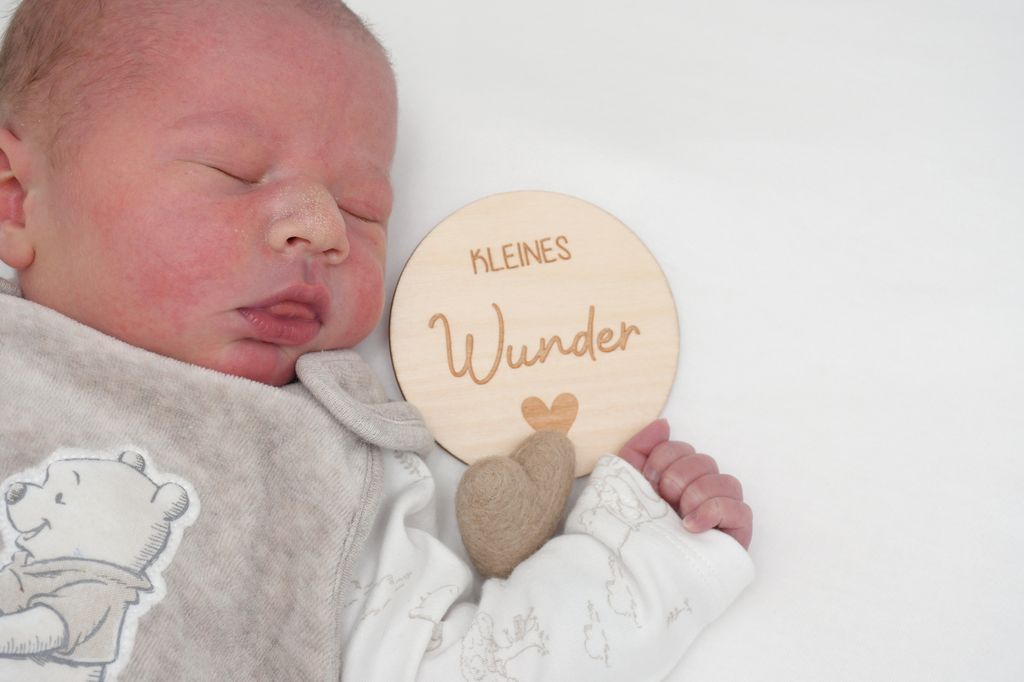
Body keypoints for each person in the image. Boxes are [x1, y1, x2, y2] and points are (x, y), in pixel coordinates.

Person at [0, 0, 753, 679]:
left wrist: (642, 557)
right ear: (15, 201)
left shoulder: (323, 480)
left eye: (362, 208)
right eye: (232, 171)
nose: (324, 229)